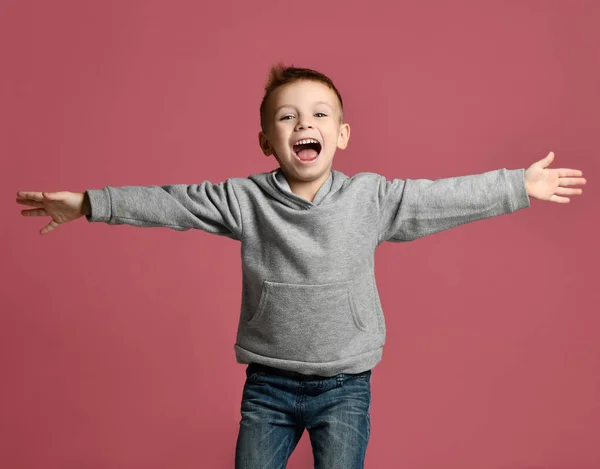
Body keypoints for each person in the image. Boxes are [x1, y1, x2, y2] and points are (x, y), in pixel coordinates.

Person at [16, 64, 586, 469]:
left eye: (318, 114)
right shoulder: (246, 199)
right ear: (267, 140)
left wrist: (517, 185)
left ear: (341, 135)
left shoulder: (371, 199)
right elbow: (172, 202)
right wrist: (90, 203)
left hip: (345, 385)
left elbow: (439, 198)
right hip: (267, 384)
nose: (302, 123)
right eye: (286, 117)